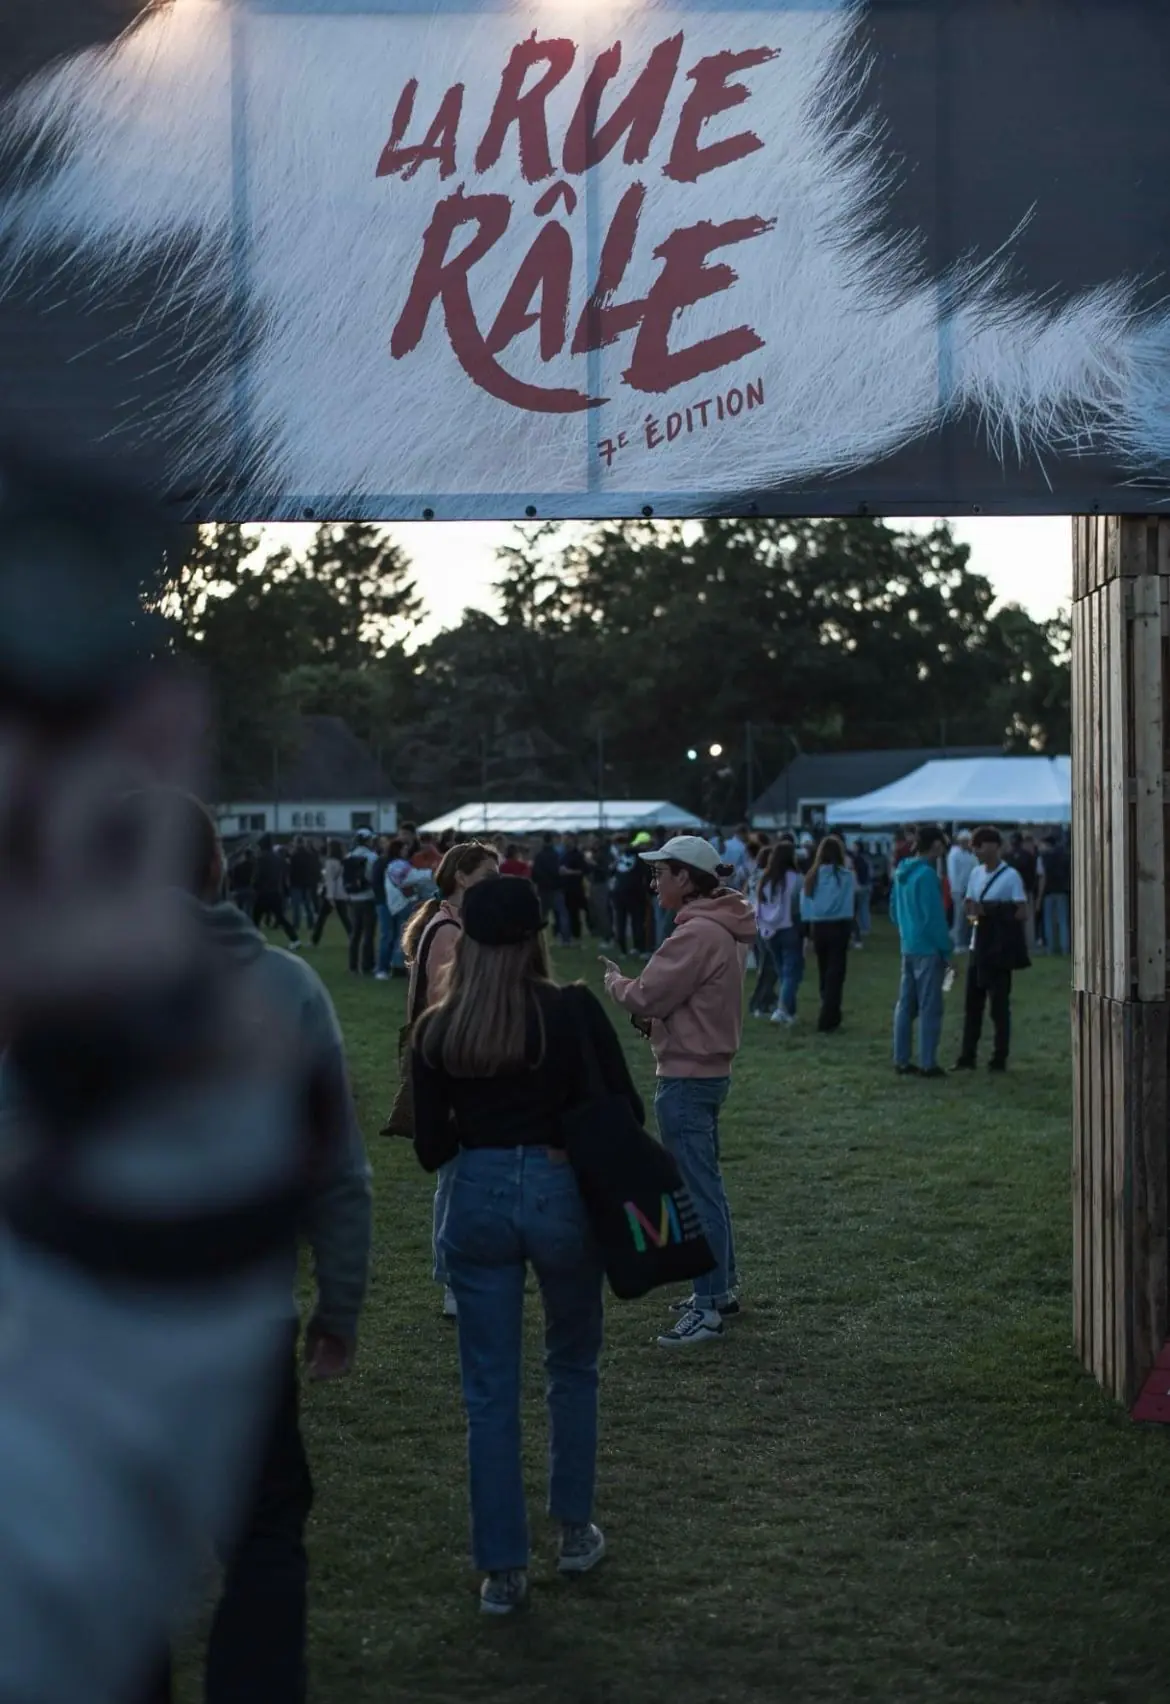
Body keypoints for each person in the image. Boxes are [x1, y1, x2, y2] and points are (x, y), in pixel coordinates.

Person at [134, 795, 372, 1704]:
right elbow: (337, 1171)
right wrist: (338, 1305)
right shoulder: (285, 987)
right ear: (216, 870)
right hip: (241, 1316)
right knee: (264, 1531)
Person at [412, 878, 638, 1616]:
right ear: (537, 936)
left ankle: (503, 1568)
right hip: (557, 1187)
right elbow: (624, 1110)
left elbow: (430, 1147)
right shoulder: (570, 1009)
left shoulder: (441, 1027)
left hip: (478, 1193)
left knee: (489, 1393)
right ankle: (573, 1531)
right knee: (572, 1365)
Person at [602, 836, 755, 1346]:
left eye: (660, 874)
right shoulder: (721, 926)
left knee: (696, 1193)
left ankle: (708, 1307)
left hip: (687, 1079)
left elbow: (648, 994)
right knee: (707, 1187)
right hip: (707, 1073)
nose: (653, 884)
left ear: (685, 878)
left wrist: (616, 984)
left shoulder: (696, 933)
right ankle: (719, 1291)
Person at [399, 840, 501, 1319]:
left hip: (458, 1067)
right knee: (458, 1181)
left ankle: (462, 1277)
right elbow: (448, 1009)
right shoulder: (446, 930)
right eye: (487, 876)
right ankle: (455, 1282)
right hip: (453, 1070)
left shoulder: (452, 924)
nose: (495, 885)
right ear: (461, 877)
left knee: (463, 1178)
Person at [954, 826, 1029, 1073]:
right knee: (972, 1006)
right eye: (974, 846)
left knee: (998, 1008)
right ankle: (967, 1057)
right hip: (978, 946)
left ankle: (999, 1057)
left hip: (999, 950)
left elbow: (1021, 911)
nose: (976, 851)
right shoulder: (975, 873)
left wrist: (990, 910)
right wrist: (972, 914)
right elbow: (969, 904)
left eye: (980, 845)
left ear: (995, 846)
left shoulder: (1011, 876)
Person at [890, 824, 952, 1078]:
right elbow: (934, 918)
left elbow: (893, 911)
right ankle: (928, 1062)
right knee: (930, 1007)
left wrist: (907, 929)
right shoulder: (927, 875)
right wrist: (945, 949)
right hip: (928, 948)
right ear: (935, 845)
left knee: (906, 1005)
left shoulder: (902, 872)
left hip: (908, 944)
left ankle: (901, 1059)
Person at [801, 836, 857, 1033]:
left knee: (824, 970)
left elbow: (806, 905)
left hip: (819, 926)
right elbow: (850, 904)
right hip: (839, 925)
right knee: (837, 972)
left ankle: (828, 1006)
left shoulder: (812, 877)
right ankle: (830, 1014)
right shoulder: (846, 876)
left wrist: (807, 931)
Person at [755, 840, 804, 1026]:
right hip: (789, 927)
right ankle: (782, 1010)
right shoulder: (796, 878)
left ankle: (789, 1011)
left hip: (768, 930)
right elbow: (799, 904)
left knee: (782, 971)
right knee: (791, 972)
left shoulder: (765, 878)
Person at [253, 833, 301, 949]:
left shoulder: (261, 858)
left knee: (255, 918)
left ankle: (252, 940)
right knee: (281, 918)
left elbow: (258, 876)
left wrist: (255, 886)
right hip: (276, 892)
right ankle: (295, 939)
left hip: (263, 892)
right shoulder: (278, 858)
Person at [341, 828, 379, 975]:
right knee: (368, 933)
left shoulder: (349, 856)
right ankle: (367, 965)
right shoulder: (372, 857)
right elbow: (372, 877)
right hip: (368, 897)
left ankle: (352, 965)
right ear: (368, 840)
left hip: (353, 898)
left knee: (355, 933)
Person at [612, 833, 652, 957]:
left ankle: (623, 950)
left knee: (621, 921)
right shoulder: (640, 856)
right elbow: (647, 875)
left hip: (619, 892)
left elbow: (612, 872)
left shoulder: (619, 856)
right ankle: (639, 948)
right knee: (637, 921)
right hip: (635, 892)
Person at [532, 831, 572, 947]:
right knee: (562, 914)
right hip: (556, 888)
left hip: (543, 889)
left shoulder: (539, 856)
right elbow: (559, 871)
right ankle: (565, 939)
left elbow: (534, 874)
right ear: (552, 840)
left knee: (541, 916)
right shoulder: (556, 855)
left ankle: (537, 939)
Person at [311, 839, 350, 945]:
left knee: (321, 918)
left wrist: (330, 897)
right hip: (341, 893)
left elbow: (330, 881)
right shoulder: (343, 861)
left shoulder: (330, 862)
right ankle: (352, 936)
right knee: (345, 918)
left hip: (331, 894)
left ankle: (315, 940)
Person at [1038, 833, 1072, 956]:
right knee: (1063, 920)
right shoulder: (1065, 856)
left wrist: (1039, 896)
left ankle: (1050, 948)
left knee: (1048, 921)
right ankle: (1065, 948)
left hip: (1048, 891)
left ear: (1047, 844)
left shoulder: (1043, 858)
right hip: (1062, 891)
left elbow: (1042, 877)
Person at [946, 831, 977, 952]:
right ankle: (958, 943)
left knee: (972, 916)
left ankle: (972, 940)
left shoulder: (971, 854)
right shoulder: (954, 854)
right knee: (959, 917)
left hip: (971, 890)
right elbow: (953, 874)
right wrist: (957, 890)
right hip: (959, 890)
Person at [287, 835, 319, 939]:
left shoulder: (293, 855)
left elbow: (290, 871)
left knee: (296, 906)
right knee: (308, 905)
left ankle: (296, 924)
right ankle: (311, 923)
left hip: (296, 883)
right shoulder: (309, 855)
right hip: (307, 883)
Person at [560, 831, 589, 941]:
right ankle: (571, 934)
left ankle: (578, 934)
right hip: (566, 887)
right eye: (563, 839)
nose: (564, 841)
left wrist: (569, 872)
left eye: (566, 839)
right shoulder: (564, 854)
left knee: (577, 911)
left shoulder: (578, 855)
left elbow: (583, 870)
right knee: (569, 912)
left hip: (576, 887)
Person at [586, 835, 614, 944]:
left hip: (601, 884)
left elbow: (605, 869)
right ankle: (601, 933)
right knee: (596, 911)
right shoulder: (594, 852)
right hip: (594, 883)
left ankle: (608, 937)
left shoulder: (604, 853)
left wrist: (592, 863)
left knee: (602, 911)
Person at [851, 840, 873, 946]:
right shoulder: (867, 858)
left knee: (857, 909)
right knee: (864, 908)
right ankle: (866, 927)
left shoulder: (856, 859)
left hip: (859, 885)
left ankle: (860, 928)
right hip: (866, 885)